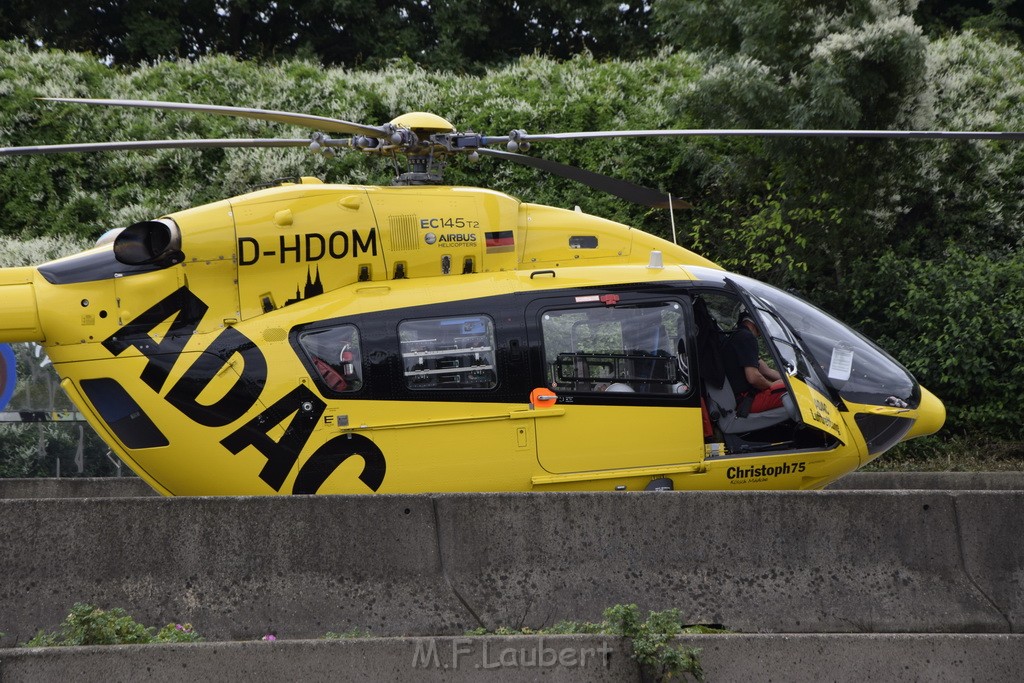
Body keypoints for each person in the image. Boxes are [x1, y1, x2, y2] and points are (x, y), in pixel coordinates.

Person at [722, 310, 787, 414]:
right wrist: (772, 385)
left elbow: (766, 371)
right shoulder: (747, 337)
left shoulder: (737, 336)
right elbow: (753, 378)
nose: (761, 334)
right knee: (792, 395)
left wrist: (790, 381)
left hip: (740, 397)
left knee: (788, 387)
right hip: (744, 401)